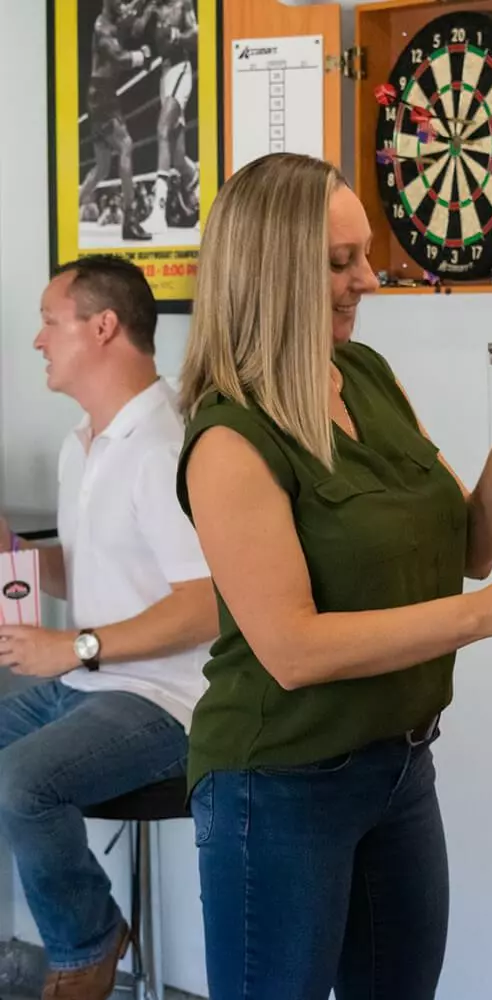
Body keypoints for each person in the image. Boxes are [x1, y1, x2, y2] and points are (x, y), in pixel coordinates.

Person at [176, 152, 492, 1000]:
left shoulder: (365, 377)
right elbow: (293, 650)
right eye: (339, 264)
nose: (367, 280)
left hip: (402, 768)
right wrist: (486, 616)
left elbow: (466, 551)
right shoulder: (229, 440)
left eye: (365, 255)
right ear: (270, 273)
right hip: (280, 786)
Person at [0, 255, 218, 1000]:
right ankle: (88, 928)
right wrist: (16, 560)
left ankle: (87, 945)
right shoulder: (81, 444)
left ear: (102, 327)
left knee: (23, 780)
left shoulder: (164, 449)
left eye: (49, 322)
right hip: (89, 683)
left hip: (168, 702)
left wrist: (74, 646)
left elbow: (205, 605)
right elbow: (102, 575)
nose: (37, 341)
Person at [78, 0, 154, 242]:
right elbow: (120, 58)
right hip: (102, 98)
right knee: (125, 146)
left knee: (101, 168)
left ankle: (67, 208)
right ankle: (129, 220)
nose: (123, 5)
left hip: (101, 95)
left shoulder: (114, 18)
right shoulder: (102, 28)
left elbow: (132, 14)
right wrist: (142, 55)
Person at [142, 0, 200, 233]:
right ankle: (198, 187)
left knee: (162, 131)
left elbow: (197, 36)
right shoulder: (154, 7)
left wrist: (179, 36)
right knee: (178, 158)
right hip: (164, 75)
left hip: (180, 70)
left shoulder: (182, 4)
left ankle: (159, 212)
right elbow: (135, 30)